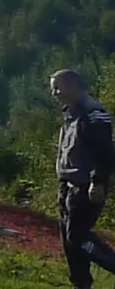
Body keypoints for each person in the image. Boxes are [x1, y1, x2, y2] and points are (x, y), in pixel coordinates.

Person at [52, 69, 115, 288]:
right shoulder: (71, 112)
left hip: (85, 186)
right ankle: (81, 284)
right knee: (70, 241)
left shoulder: (93, 113)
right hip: (67, 186)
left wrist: (98, 182)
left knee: (78, 237)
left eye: (58, 87)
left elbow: (105, 152)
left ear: (73, 85)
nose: (55, 93)